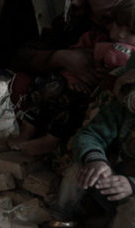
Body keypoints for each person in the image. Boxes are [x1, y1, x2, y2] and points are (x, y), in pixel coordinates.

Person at [8, 0, 135, 156]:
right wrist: (63, 57)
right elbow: (19, 55)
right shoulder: (78, 20)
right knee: (27, 81)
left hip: (114, 117)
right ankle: (39, 140)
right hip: (68, 95)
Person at [49, 56, 135, 227]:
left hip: (131, 192)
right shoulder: (123, 107)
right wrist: (96, 160)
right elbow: (91, 135)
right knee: (82, 170)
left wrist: (132, 185)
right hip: (114, 181)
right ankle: (63, 219)